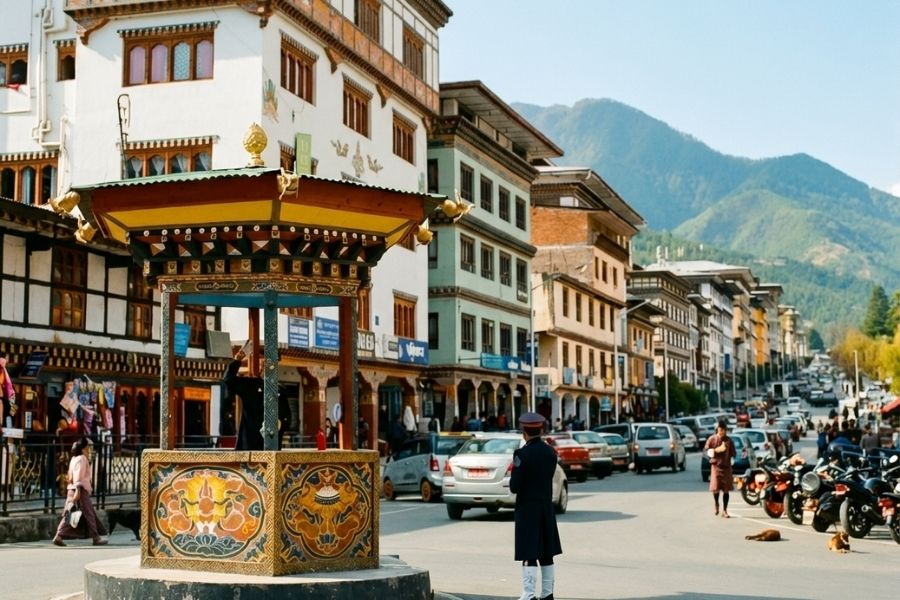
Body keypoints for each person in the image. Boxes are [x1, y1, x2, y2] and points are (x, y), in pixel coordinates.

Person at [509, 412, 562, 600]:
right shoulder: (551, 452)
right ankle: (547, 594)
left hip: (528, 509)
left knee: (529, 552)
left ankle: (528, 594)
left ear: (524, 432)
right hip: (546, 507)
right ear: (541, 430)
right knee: (547, 552)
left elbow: (515, 486)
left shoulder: (522, 454)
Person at [52, 437, 108, 546]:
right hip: (79, 489)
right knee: (89, 514)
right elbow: (78, 475)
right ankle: (96, 537)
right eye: (87, 447)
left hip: (72, 489)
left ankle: (58, 535)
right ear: (83, 449)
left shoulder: (74, 458)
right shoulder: (82, 459)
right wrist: (78, 489)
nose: (89, 450)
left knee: (70, 512)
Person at [221, 352, 264, 451]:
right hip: (250, 441)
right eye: (264, 365)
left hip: (271, 443)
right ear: (261, 369)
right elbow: (228, 380)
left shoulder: (278, 390)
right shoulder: (251, 385)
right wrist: (237, 361)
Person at [703, 421, 736, 518]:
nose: (722, 432)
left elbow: (733, 453)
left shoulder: (729, 440)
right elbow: (706, 451)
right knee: (716, 489)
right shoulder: (712, 439)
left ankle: (725, 510)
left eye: (724, 430)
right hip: (716, 467)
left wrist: (729, 456)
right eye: (720, 430)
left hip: (726, 467)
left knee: (726, 490)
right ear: (717, 430)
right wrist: (715, 451)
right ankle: (716, 503)